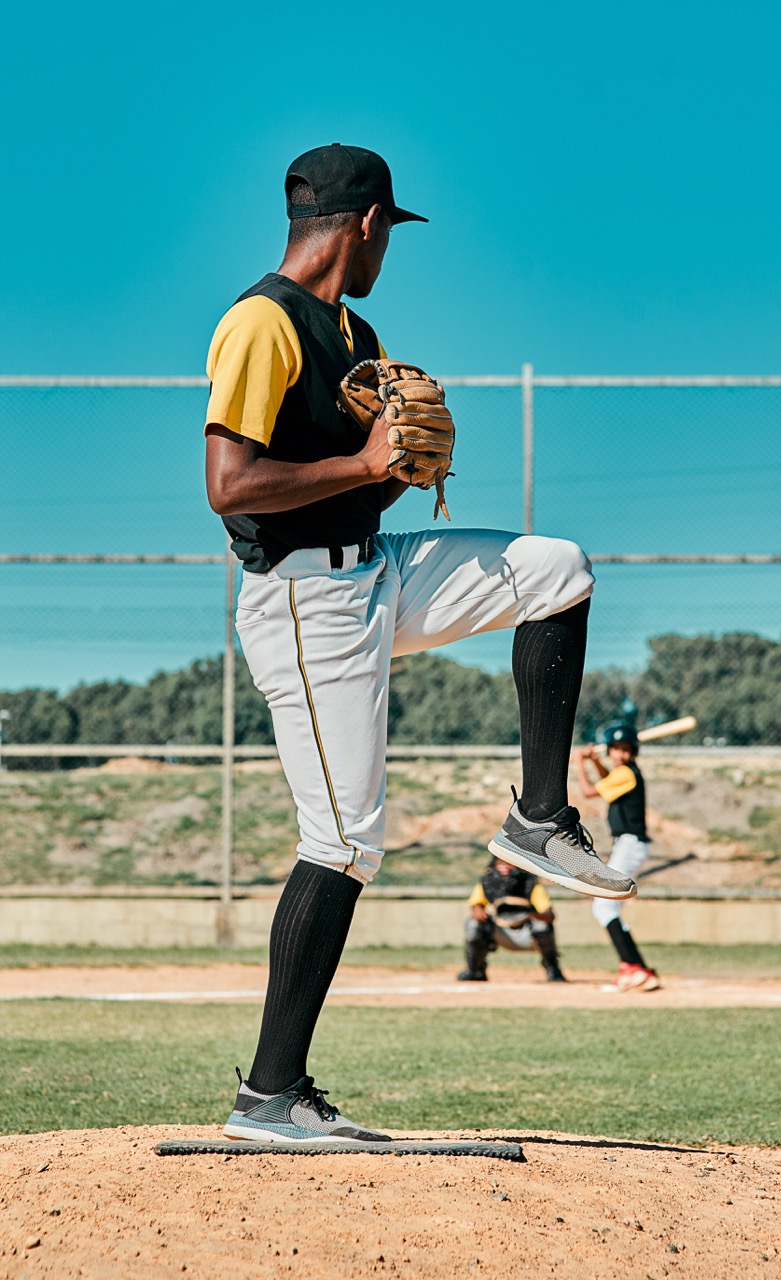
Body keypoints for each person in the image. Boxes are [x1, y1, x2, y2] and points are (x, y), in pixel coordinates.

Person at [204, 143, 637, 1147]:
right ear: (364, 225)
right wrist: (366, 460)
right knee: (343, 840)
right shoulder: (261, 323)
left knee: (556, 568)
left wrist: (397, 470)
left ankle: (538, 818)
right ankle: (270, 1095)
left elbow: (358, 481)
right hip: (303, 599)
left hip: (375, 569)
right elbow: (229, 486)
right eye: (387, 233)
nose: (385, 251)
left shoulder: (355, 332)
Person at [573, 723, 660, 991]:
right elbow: (607, 780)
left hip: (629, 844)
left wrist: (579, 762)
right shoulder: (623, 774)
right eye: (616, 749)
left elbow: (589, 791)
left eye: (625, 750)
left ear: (633, 752)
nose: (620, 755)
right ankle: (639, 969)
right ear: (610, 750)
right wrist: (595, 761)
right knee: (609, 908)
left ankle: (632, 967)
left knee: (604, 907)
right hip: (627, 844)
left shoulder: (626, 773)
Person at [458, 855, 566, 983]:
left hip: (527, 933)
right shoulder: (487, 882)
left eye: (509, 863)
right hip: (500, 931)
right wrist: (478, 910)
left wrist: (530, 914)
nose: (505, 867)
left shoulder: (530, 883)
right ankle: (475, 971)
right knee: (473, 924)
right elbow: (476, 905)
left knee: (541, 925)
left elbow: (549, 915)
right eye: (500, 863)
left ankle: (552, 969)